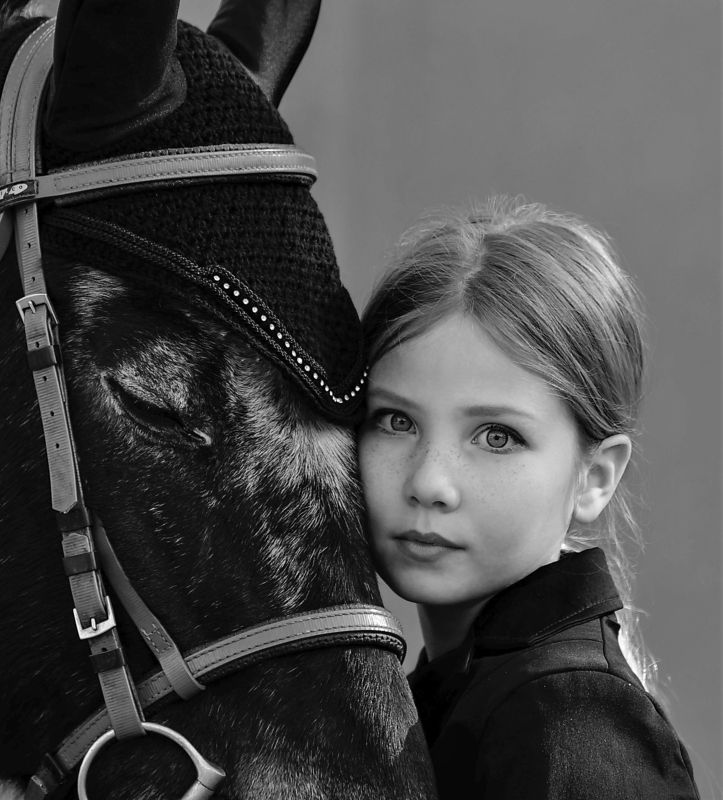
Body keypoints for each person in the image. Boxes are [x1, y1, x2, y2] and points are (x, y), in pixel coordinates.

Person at [358, 197, 700, 799]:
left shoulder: (569, 717)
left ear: (595, 478)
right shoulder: (443, 693)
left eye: (497, 436)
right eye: (396, 421)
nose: (429, 483)